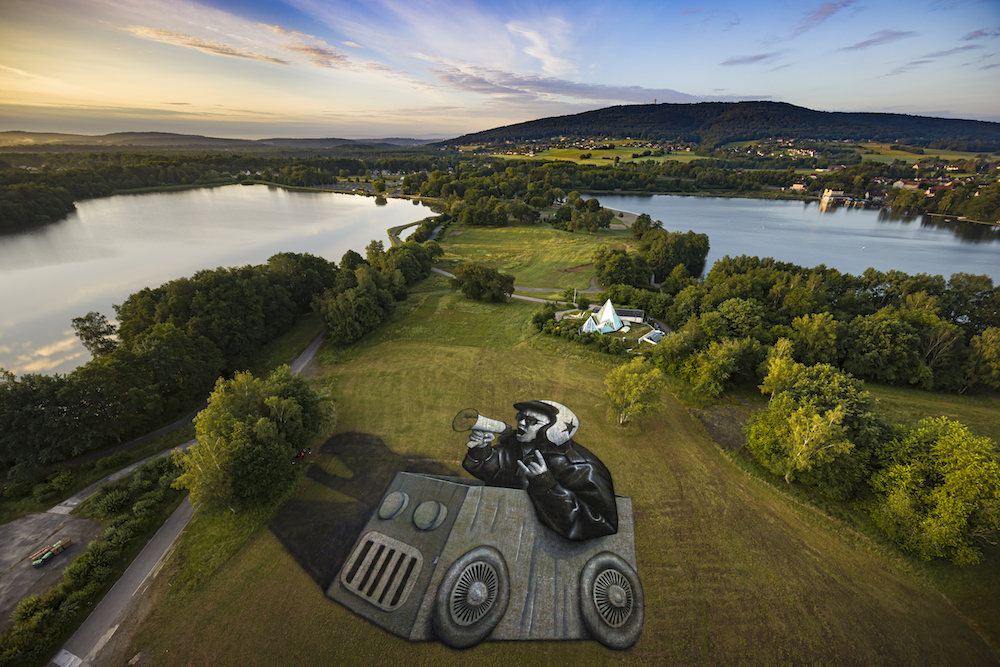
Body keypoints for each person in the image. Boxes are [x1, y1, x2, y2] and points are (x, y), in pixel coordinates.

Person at [462, 400, 618, 541]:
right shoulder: (521, 447)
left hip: (550, 547)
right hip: (508, 530)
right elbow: (497, 475)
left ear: (553, 429)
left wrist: (546, 485)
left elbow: (602, 524)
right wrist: (481, 451)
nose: (521, 423)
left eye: (531, 421)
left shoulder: (581, 466)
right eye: (520, 417)